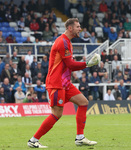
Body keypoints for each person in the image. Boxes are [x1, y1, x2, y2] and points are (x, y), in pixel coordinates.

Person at [27, 18, 98, 148]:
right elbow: (70, 64)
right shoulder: (62, 42)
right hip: (56, 83)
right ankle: (33, 140)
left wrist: (86, 63)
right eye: (77, 26)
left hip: (65, 83)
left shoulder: (67, 42)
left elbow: (68, 65)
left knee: (83, 102)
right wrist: (87, 64)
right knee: (57, 114)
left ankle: (80, 138)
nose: (80, 29)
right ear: (70, 28)